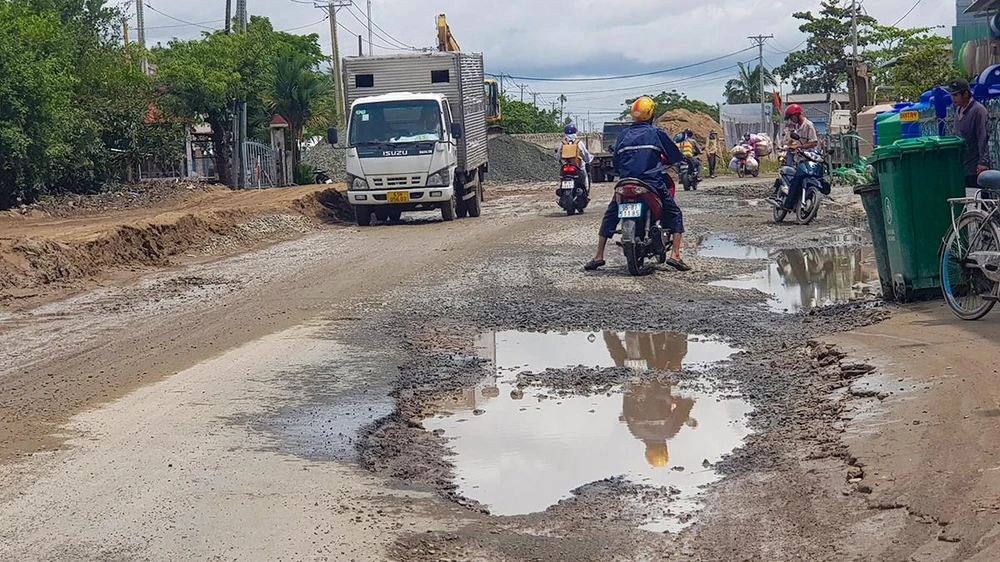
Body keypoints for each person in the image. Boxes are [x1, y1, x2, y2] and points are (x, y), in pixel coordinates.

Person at [584, 96, 690, 272]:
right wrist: (675, 159)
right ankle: (676, 255)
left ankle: (599, 256)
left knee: (611, 215)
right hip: (651, 183)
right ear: (652, 115)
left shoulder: (624, 134)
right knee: (674, 212)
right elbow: (674, 156)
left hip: (625, 183)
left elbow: (616, 161)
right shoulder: (657, 133)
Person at [945, 78, 991, 191]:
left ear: (965, 94)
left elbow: (983, 137)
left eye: (955, 95)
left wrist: (983, 162)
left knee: (978, 203)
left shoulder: (978, 110)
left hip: (976, 169)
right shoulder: (958, 111)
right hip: (962, 167)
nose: (953, 98)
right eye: (951, 95)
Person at [771, 104, 819, 212]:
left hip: (808, 159)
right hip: (799, 158)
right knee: (789, 174)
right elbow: (796, 141)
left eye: (791, 118)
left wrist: (798, 146)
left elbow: (813, 143)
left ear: (796, 115)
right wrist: (790, 147)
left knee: (799, 180)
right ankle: (781, 196)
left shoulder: (808, 125)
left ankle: (793, 204)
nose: (791, 121)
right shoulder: (798, 126)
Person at [557, 124, 594, 194]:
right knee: (585, 176)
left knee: (562, 177)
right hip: (578, 166)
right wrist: (588, 160)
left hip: (565, 166)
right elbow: (585, 154)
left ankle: (562, 189)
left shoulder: (562, 143)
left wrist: (561, 162)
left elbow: (558, 156)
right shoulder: (579, 143)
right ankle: (586, 190)